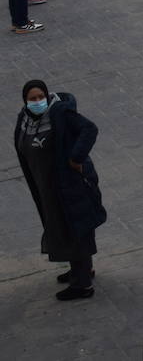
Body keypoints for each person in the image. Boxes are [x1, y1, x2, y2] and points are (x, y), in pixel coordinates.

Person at [16, 80, 105, 300]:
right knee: (64, 227)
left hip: (69, 184)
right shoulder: (25, 119)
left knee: (76, 228)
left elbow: (89, 129)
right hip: (48, 187)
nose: (37, 102)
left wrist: (76, 158)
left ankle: (82, 285)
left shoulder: (60, 114)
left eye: (40, 97)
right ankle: (81, 270)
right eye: (32, 99)